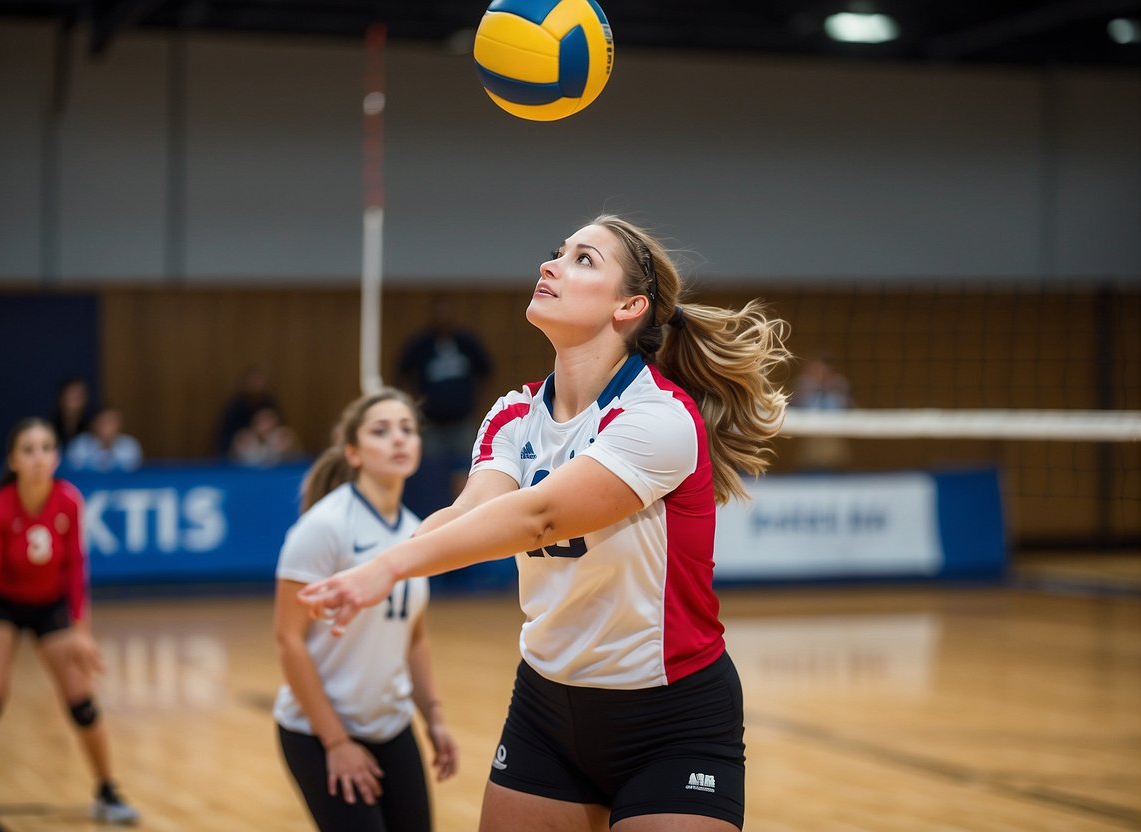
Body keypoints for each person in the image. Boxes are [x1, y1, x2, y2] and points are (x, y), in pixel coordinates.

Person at [298, 214, 790, 831]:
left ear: (628, 306)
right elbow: (470, 514)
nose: (550, 265)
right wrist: (376, 568)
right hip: (546, 711)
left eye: (584, 260)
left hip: (671, 718)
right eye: (557, 252)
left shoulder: (659, 418)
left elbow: (539, 517)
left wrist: (388, 567)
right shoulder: (513, 414)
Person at [0, 418, 140, 831]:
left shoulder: (68, 500)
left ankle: (107, 790)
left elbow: (75, 569)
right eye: (28, 450)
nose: (38, 458)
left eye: (46, 448)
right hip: (6, 607)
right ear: (13, 460)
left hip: (50, 606)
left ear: (56, 457)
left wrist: (82, 632)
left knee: (81, 698)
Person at [273, 389, 459, 832]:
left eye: (407, 430)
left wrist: (433, 717)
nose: (399, 440)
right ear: (353, 452)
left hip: (391, 725)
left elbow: (414, 634)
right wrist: (335, 742)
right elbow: (288, 639)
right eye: (381, 431)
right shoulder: (324, 527)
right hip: (318, 732)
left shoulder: (418, 533)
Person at [395, 298, 493, 499]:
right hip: (430, 422)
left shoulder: (466, 342)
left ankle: (464, 510)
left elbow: (486, 371)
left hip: (462, 420)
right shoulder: (421, 344)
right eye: (438, 314)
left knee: (468, 468)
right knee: (428, 471)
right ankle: (429, 506)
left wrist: (476, 400)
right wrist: (414, 404)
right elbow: (402, 372)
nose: (442, 319)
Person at [789, 353, 854, 471]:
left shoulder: (839, 387)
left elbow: (852, 411)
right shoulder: (804, 387)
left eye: (820, 369)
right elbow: (791, 409)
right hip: (808, 458)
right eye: (813, 369)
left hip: (835, 459)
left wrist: (833, 387)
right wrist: (806, 388)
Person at [216, 366, 278, 456]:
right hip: (240, 448)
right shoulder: (235, 406)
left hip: (269, 445)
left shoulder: (268, 403)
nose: (255, 385)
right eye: (252, 381)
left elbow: (278, 426)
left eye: (258, 381)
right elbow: (226, 437)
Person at [65, 407, 143, 473]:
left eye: (111, 422)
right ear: (94, 423)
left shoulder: (129, 445)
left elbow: (134, 473)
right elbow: (73, 472)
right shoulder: (80, 444)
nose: (106, 426)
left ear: (119, 425)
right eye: (103, 422)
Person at [229, 405, 302, 467]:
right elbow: (232, 458)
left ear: (276, 422)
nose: (265, 425)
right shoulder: (245, 438)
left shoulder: (284, 436)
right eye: (261, 421)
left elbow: (294, 455)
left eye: (268, 420)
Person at [50, 376, 93, 448]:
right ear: (61, 397)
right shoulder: (50, 427)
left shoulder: (92, 426)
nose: (75, 399)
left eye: (79, 395)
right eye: (71, 394)